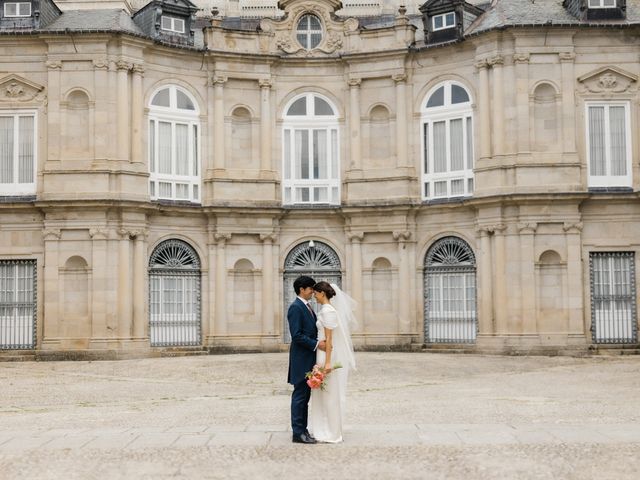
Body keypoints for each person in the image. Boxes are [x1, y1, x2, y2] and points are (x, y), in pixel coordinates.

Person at [308, 281, 357, 443]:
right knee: (323, 393)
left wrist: (327, 362)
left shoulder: (328, 311)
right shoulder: (325, 310)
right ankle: (323, 427)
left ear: (322, 293)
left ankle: (331, 431)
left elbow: (329, 339)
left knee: (328, 393)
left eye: (316, 293)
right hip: (322, 353)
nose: (314, 296)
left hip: (326, 355)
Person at [287, 275, 326, 444]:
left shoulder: (307, 306)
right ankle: (298, 432)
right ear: (302, 289)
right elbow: (296, 336)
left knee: (305, 396)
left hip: (308, 359)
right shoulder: (296, 307)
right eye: (310, 289)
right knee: (300, 396)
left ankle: (303, 429)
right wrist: (317, 344)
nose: (312, 292)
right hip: (301, 359)